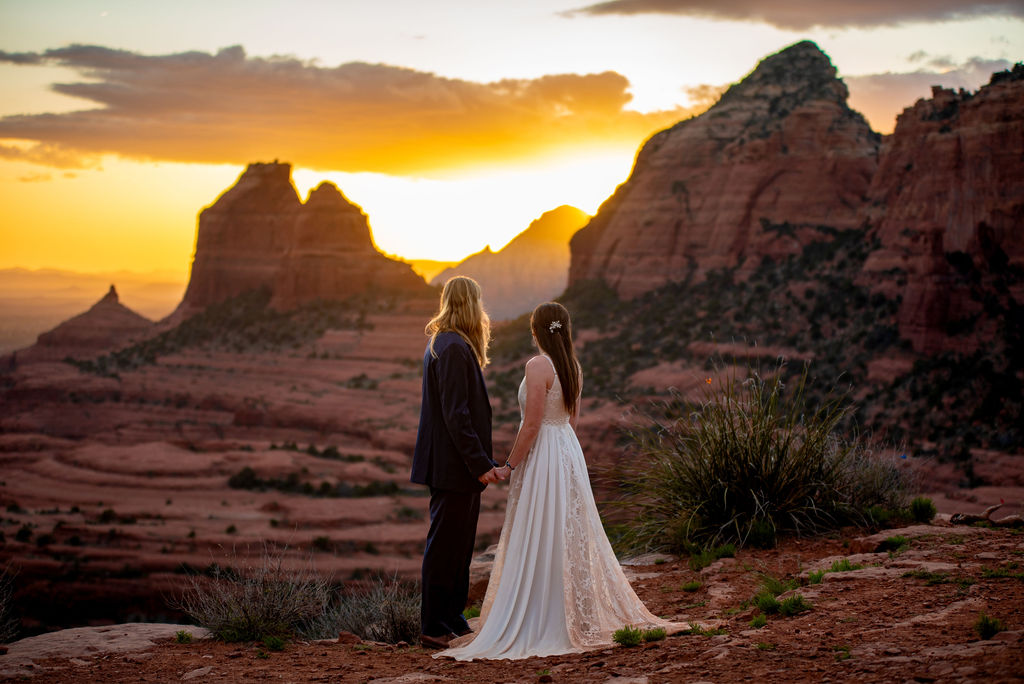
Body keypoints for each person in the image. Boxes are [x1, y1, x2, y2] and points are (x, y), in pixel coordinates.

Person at [439, 301, 681, 661]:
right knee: (565, 530)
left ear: (535, 330)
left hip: (543, 453)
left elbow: (532, 423)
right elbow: (572, 421)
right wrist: (563, 454)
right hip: (567, 450)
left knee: (541, 527)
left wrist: (509, 465)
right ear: (565, 329)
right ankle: (563, 608)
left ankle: (540, 613)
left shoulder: (538, 365)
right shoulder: (572, 366)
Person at [411, 276, 504, 649]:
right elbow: (456, 415)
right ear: (469, 304)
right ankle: (433, 626)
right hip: (453, 467)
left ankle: (452, 616)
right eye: (478, 302)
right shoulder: (450, 347)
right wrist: (481, 463)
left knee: (460, 545)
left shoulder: (452, 343)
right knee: (444, 546)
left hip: (459, 468)